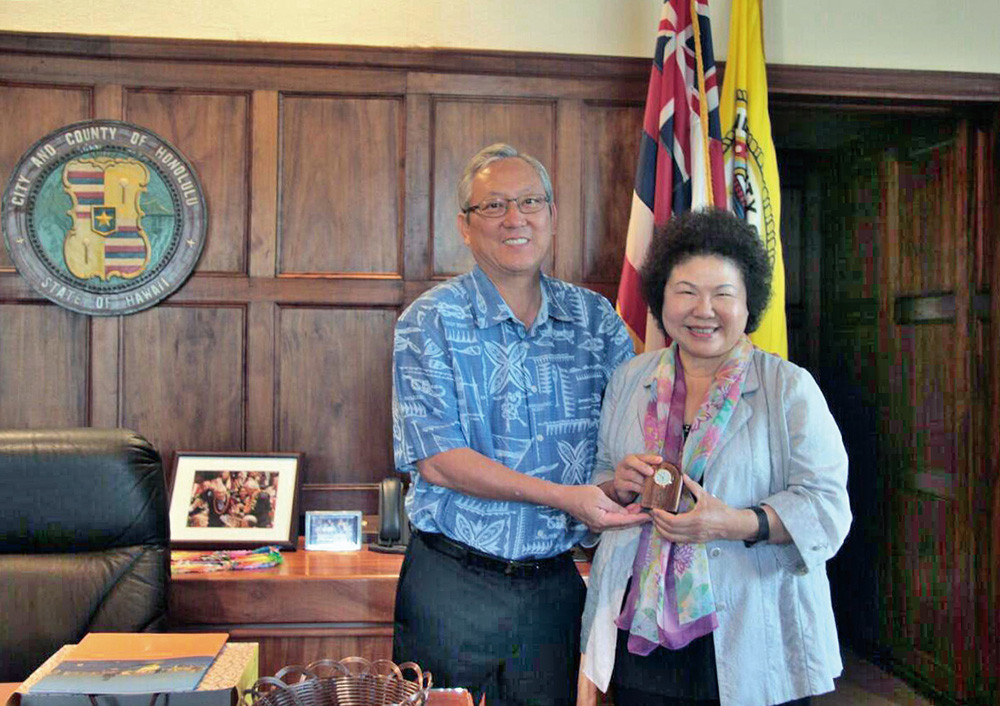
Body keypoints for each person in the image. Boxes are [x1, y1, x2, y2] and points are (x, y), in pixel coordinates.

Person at [391, 143, 644, 705]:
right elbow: (439, 459)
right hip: (452, 583)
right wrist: (565, 496)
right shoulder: (430, 321)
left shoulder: (595, 319)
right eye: (494, 205)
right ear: (464, 225)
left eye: (530, 201)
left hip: (555, 586)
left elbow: (630, 431)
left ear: (552, 216)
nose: (516, 218)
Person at [579, 209, 852, 706]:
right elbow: (599, 479)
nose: (703, 309)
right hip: (644, 636)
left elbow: (828, 508)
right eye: (685, 291)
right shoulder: (628, 380)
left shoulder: (788, 388)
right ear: (662, 299)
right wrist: (615, 485)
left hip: (755, 631)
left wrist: (736, 522)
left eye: (723, 293)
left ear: (750, 304)